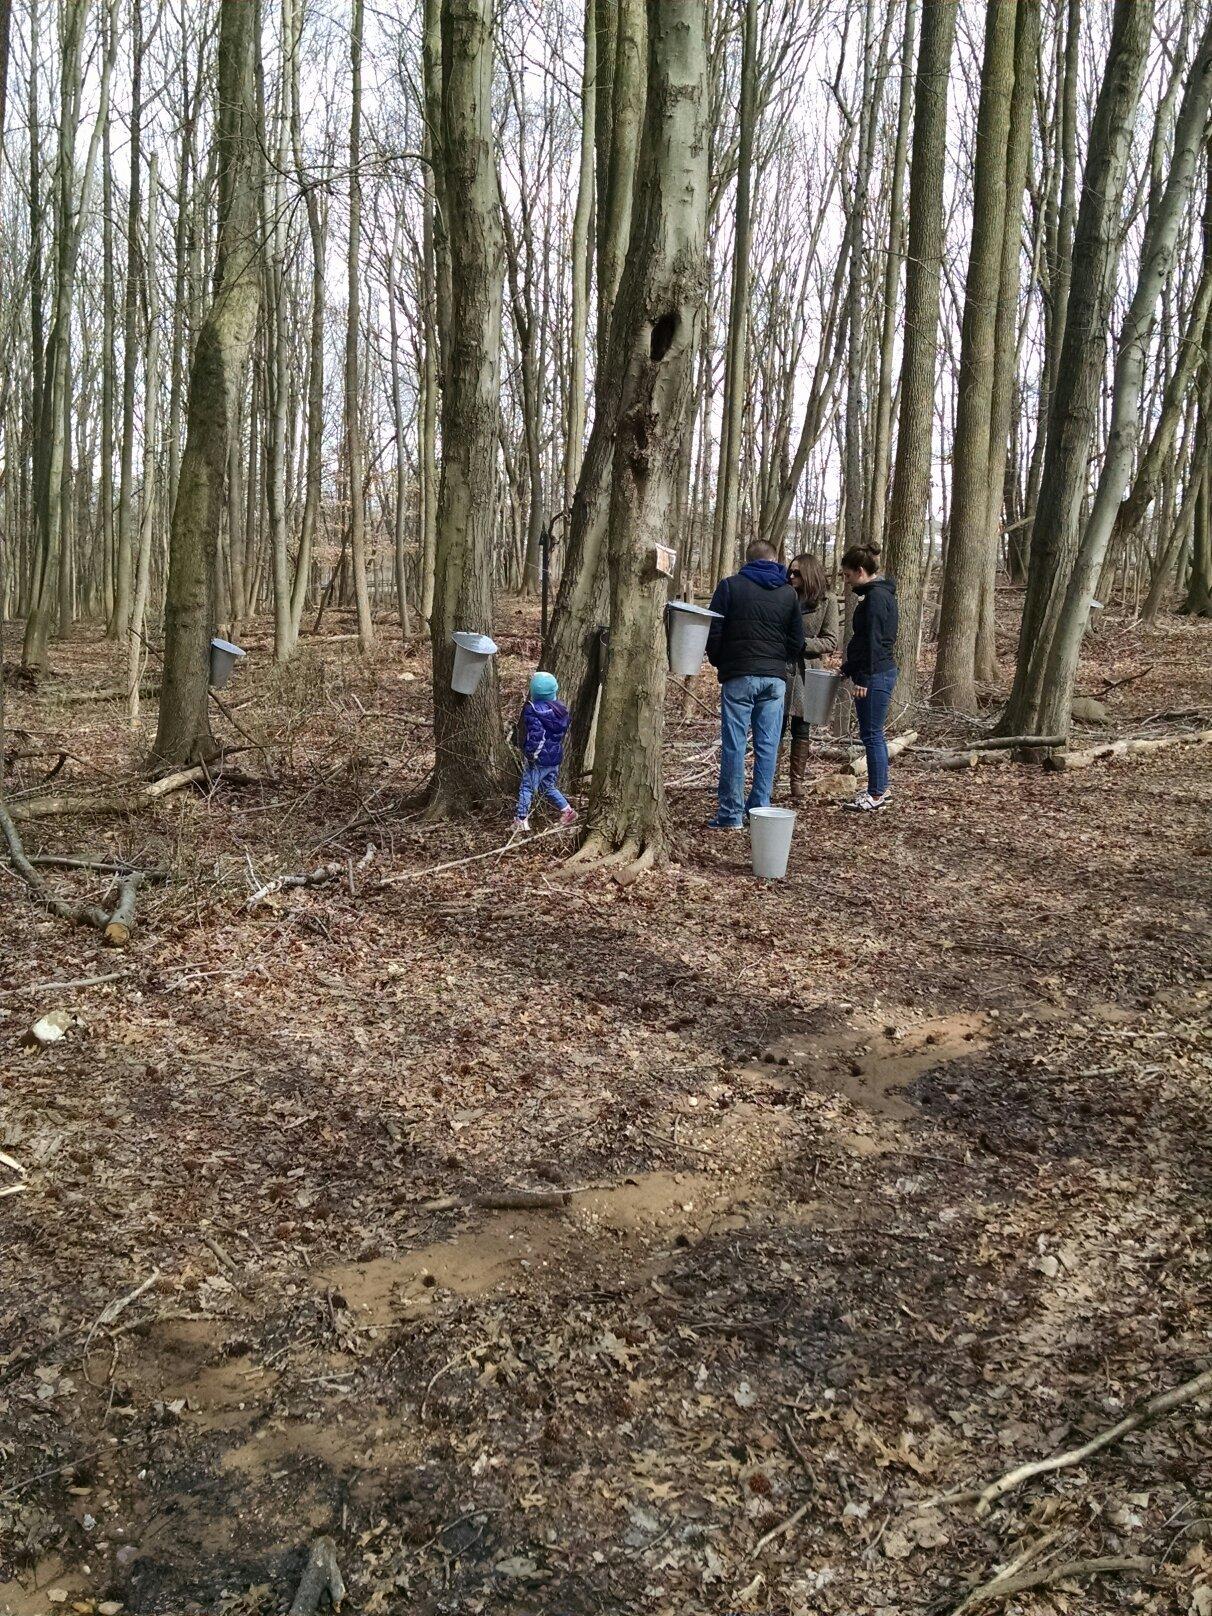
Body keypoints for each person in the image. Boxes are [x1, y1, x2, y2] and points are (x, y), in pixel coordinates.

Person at [705, 538, 805, 829]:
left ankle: (730, 814)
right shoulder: (788, 594)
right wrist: (777, 661)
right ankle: (760, 810)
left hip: (739, 675)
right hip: (774, 679)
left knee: (735, 745)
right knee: (768, 745)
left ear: (746, 560)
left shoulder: (730, 586)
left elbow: (714, 629)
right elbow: (796, 640)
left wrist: (720, 661)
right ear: (775, 560)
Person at [838, 543, 899, 811]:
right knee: (872, 733)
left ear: (861, 571)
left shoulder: (876, 598)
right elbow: (864, 643)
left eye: (847, 575)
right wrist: (849, 668)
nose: (845, 581)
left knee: (872, 734)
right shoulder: (877, 595)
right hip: (874, 671)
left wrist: (862, 677)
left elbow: (875, 642)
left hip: (876, 675)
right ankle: (880, 788)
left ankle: (877, 793)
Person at [784, 553, 840, 801]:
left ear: (809, 574)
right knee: (774, 728)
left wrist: (803, 644)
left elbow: (830, 640)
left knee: (801, 729)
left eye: (797, 573)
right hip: (780, 668)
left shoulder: (826, 601)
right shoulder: (783, 595)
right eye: (790, 572)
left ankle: (796, 783)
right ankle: (769, 779)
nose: (792, 577)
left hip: (807, 671)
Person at [513, 672, 578, 833]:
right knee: (547, 786)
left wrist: (532, 756)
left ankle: (521, 820)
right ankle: (568, 812)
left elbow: (537, 737)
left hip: (539, 759)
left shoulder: (533, 711)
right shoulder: (559, 710)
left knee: (527, 788)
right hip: (554, 757)